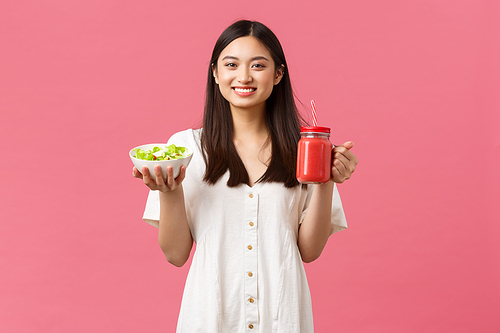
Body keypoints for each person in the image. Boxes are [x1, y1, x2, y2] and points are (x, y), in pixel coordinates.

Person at [133, 20, 358, 333]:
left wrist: (327, 179)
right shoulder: (184, 149)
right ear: (215, 73)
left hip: (283, 317)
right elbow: (175, 254)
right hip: (211, 317)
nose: (244, 76)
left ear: (278, 74)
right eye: (231, 64)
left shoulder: (306, 150)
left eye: (258, 65)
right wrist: (170, 191)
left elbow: (309, 251)